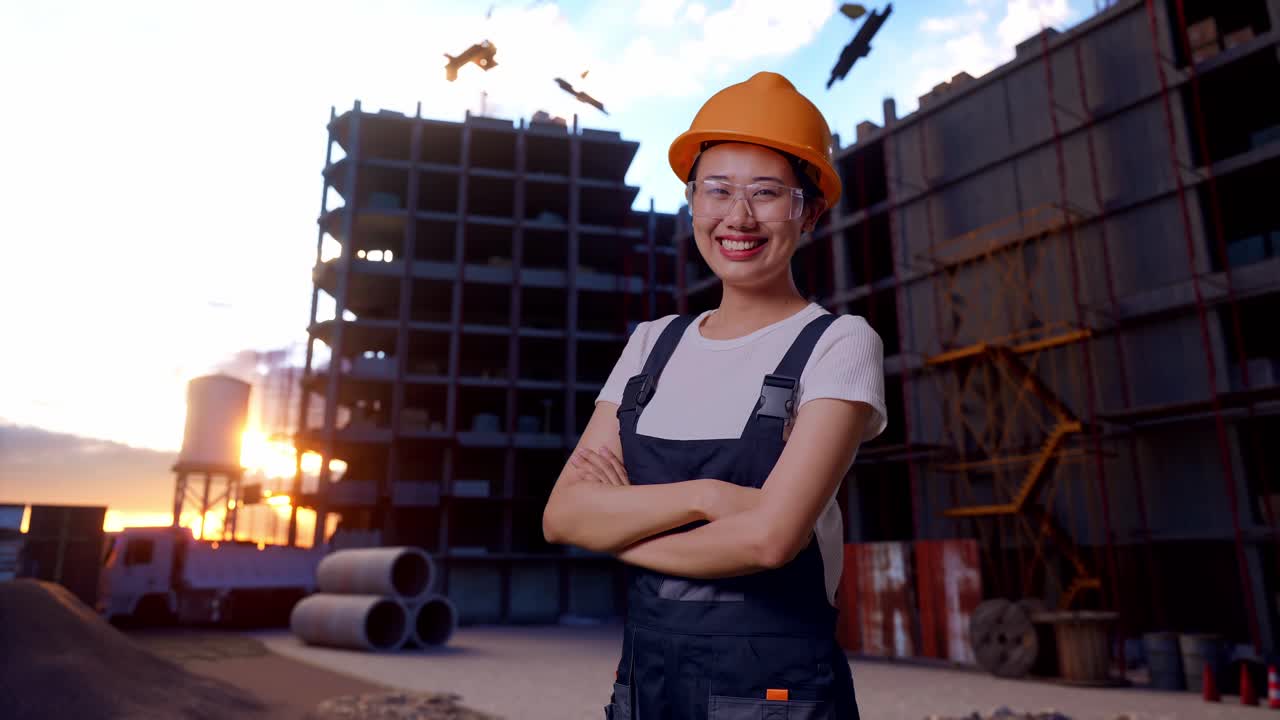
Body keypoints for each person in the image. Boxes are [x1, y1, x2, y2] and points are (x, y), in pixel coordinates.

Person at [542, 71, 887, 720]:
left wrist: (621, 533)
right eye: (717, 191)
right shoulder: (652, 345)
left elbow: (769, 541)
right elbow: (562, 515)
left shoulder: (838, 345)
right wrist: (706, 499)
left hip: (778, 699)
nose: (738, 217)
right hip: (646, 689)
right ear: (692, 201)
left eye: (765, 194)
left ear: (809, 211)